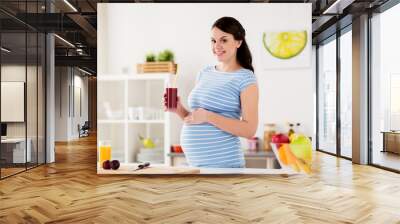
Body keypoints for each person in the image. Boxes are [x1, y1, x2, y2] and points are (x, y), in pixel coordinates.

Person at [164, 16, 259, 168]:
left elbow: (249, 130)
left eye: (224, 40)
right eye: (213, 41)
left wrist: (208, 116)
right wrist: (179, 109)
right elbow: (197, 118)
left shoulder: (246, 78)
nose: (217, 46)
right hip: (196, 166)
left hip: (224, 167)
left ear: (238, 42)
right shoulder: (204, 73)